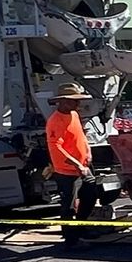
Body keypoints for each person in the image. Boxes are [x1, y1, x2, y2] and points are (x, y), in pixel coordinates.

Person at [46, 82, 103, 243]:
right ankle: (71, 240)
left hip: (83, 165)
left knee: (90, 195)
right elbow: (56, 147)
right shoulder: (55, 120)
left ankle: (80, 228)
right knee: (68, 205)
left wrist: (88, 152)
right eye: (73, 100)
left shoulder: (74, 115)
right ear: (62, 101)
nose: (77, 103)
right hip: (66, 170)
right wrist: (76, 164)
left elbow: (81, 136)